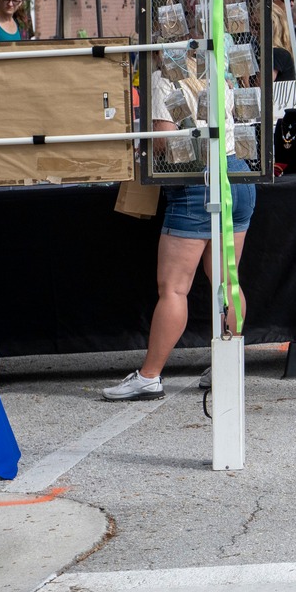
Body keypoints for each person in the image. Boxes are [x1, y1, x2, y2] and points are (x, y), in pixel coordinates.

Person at [103, 68, 257, 400]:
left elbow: (166, 141)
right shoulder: (220, 69)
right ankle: (226, 366)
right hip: (238, 172)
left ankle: (149, 376)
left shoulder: (162, 80)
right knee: (227, 278)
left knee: (173, 288)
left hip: (195, 183)